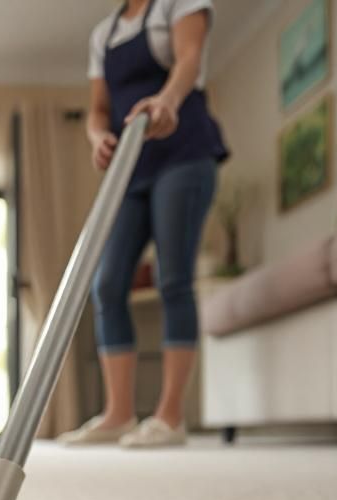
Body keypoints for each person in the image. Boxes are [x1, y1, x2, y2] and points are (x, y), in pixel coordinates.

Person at [60, 0, 228, 448]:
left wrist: (166, 101)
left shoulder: (178, 5)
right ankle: (118, 413)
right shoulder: (104, 34)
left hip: (184, 154)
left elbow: (189, 60)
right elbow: (98, 107)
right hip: (131, 167)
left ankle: (170, 416)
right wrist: (98, 136)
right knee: (108, 285)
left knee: (174, 279)